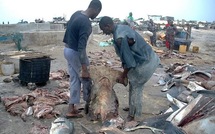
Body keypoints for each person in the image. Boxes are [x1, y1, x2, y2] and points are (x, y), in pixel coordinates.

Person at [99, 16, 160, 122]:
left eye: (104, 30)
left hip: (146, 62)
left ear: (108, 26)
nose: (104, 32)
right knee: (133, 83)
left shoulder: (119, 38)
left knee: (136, 86)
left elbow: (130, 63)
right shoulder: (121, 28)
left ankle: (134, 116)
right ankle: (132, 107)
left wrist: (123, 76)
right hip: (149, 57)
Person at [63, 0, 102, 118]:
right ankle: (89, 108)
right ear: (95, 9)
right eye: (98, 12)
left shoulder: (77, 13)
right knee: (86, 79)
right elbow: (81, 48)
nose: (97, 16)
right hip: (75, 52)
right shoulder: (85, 23)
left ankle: (71, 109)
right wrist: (84, 69)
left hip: (67, 50)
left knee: (75, 79)